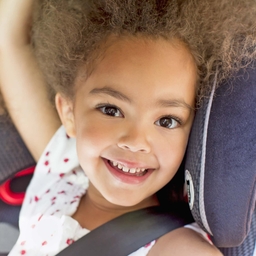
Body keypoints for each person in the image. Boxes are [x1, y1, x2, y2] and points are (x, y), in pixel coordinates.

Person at [0, 0, 255, 255]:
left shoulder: (178, 249)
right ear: (69, 114)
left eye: (167, 121)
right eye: (111, 110)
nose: (136, 141)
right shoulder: (62, 171)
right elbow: (9, 43)